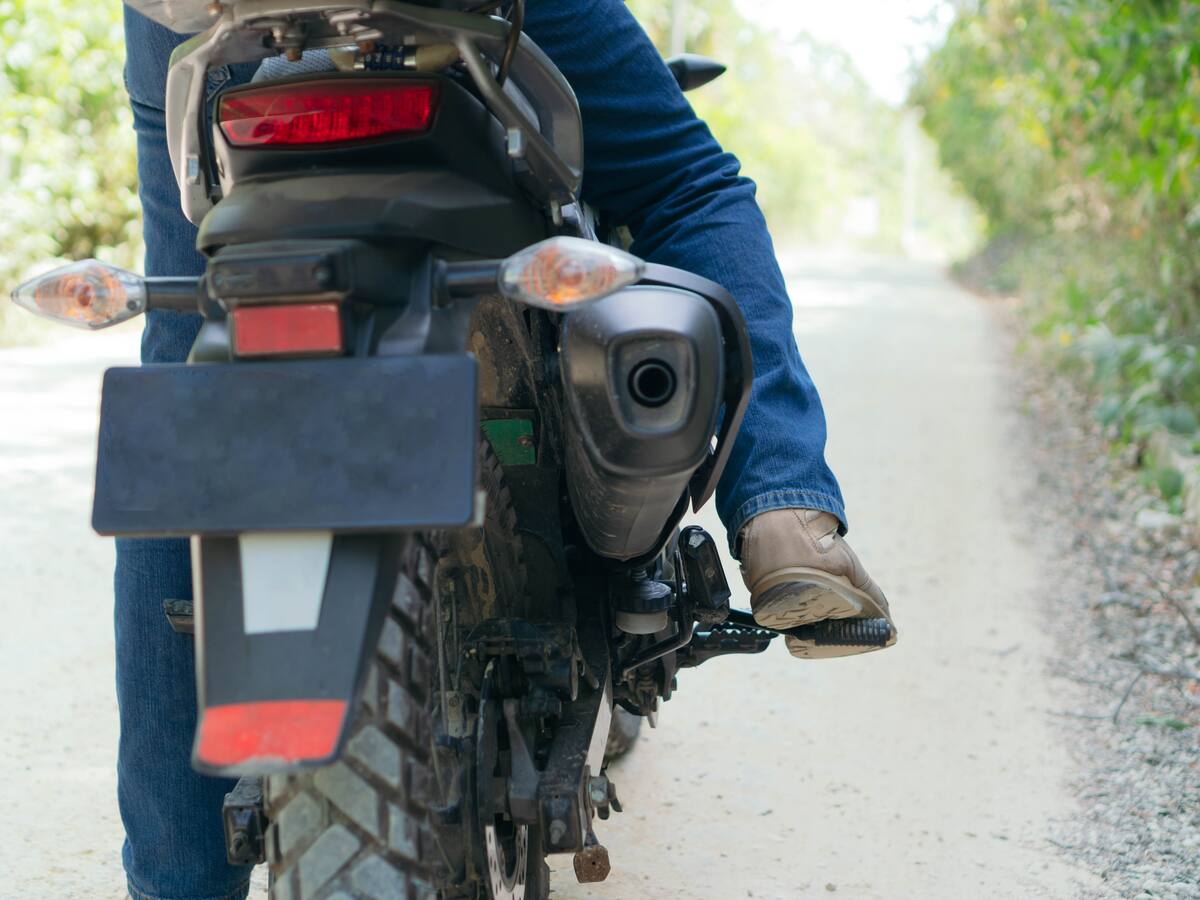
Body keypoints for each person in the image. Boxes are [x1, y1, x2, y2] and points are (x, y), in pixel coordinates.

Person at [117, 1, 897, 897]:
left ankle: (178, 882)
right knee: (688, 185)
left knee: (191, 338)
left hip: (200, 17)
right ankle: (783, 510)